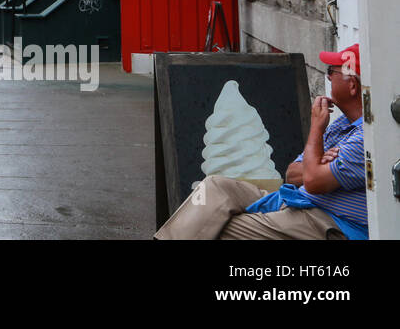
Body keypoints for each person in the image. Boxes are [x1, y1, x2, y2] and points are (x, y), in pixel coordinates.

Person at [155, 43, 368, 240]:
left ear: (352, 86)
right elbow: (292, 174)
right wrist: (318, 160)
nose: (328, 77)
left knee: (218, 225)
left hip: (328, 223)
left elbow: (311, 182)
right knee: (214, 186)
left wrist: (315, 130)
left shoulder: (364, 138)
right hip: (296, 203)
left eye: (333, 71)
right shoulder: (341, 125)